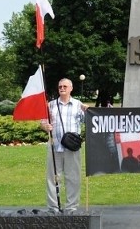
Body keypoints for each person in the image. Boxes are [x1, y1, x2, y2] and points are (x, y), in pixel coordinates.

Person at [41, 78, 89, 213]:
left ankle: (71, 208)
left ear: (71, 88)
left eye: (65, 86)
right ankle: (53, 208)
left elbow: (87, 121)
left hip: (72, 148)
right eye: (60, 86)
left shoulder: (78, 105)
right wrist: (44, 126)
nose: (62, 88)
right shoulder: (50, 105)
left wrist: (88, 111)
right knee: (52, 178)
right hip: (54, 147)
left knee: (73, 178)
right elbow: (42, 122)